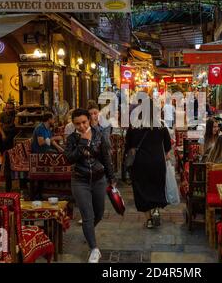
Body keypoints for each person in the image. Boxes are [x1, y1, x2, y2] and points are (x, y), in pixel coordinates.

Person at [64, 108, 116, 263]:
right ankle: (94, 249)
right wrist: (83, 142)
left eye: (84, 122)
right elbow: (69, 159)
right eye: (77, 124)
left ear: (89, 120)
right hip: (80, 181)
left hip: (99, 180)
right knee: (88, 216)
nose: (81, 126)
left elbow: (106, 158)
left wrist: (111, 177)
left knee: (99, 213)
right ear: (73, 124)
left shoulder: (99, 135)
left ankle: (89, 233)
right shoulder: (72, 139)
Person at [125, 100, 172, 229]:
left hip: (140, 163)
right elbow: (168, 146)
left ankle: (149, 220)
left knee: (142, 190)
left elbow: (128, 146)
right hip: (157, 162)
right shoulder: (161, 126)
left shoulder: (133, 127)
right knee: (157, 187)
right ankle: (156, 209)